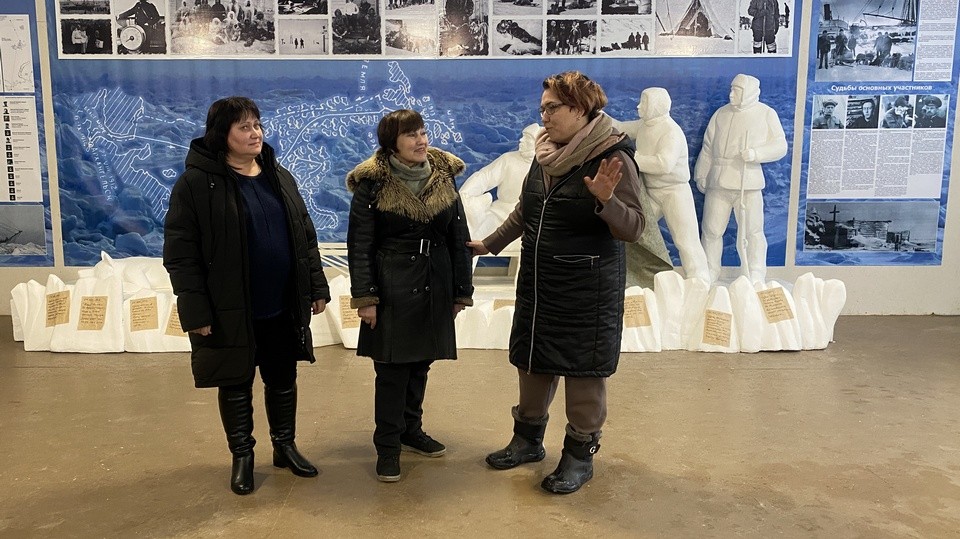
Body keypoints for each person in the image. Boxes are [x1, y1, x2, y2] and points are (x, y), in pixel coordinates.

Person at [467, 71, 646, 494]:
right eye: (542, 108)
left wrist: (606, 200)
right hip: (539, 284)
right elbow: (526, 209)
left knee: (583, 374)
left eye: (552, 108)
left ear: (580, 109)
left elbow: (634, 228)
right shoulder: (545, 152)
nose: (543, 115)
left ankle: (579, 456)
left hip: (587, 292)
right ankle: (527, 441)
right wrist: (489, 244)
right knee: (532, 364)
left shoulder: (612, 156)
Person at [163, 97, 331, 496]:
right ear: (222, 135)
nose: (255, 133)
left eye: (257, 125)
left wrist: (316, 287)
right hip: (230, 308)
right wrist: (196, 312)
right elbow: (181, 255)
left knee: (282, 377)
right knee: (236, 381)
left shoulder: (278, 176)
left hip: (281, 303)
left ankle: (285, 446)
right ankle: (243, 456)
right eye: (244, 127)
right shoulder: (196, 185)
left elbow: (305, 237)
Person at [345, 109, 474, 483]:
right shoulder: (372, 182)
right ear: (392, 144)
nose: (421, 140)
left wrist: (461, 290)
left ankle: (410, 431)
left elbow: (458, 237)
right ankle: (387, 446)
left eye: (422, 132)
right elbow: (360, 244)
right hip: (392, 285)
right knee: (391, 370)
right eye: (411, 135)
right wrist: (366, 297)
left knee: (421, 364)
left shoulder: (443, 174)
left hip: (436, 280)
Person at [694, 74, 787, 284]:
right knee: (711, 230)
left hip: (748, 182)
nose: (731, 94)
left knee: (752, 232)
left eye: (736, 91)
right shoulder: (721, 114)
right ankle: (710, 270)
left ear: (749, 92)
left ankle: (755, 272)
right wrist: (702, 172)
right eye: (731, 89)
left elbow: (780, 145)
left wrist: (756, 154)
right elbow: (708, 146)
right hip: (718, 181)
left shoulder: (766, 114)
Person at [631, 87, 710, 283]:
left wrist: (634, 159)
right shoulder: (644, 126)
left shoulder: (670, 131)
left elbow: (663, 164)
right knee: (637, 232)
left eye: (644, 103)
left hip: (674, 192)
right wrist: (597, 115)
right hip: (651, 193)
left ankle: (700, 279)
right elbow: (620, 127)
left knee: (685, 240)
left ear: (656, 106)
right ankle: (641, 277)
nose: (639, 106)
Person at [460, 123, 539, 249]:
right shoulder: (509, 160)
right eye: (523, 137)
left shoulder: (546, 166)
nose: (521, 140)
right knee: (473, 238)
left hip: (532, 220)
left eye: (527, 139)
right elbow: (485, 177)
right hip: (500, 213)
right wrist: (465, 194)